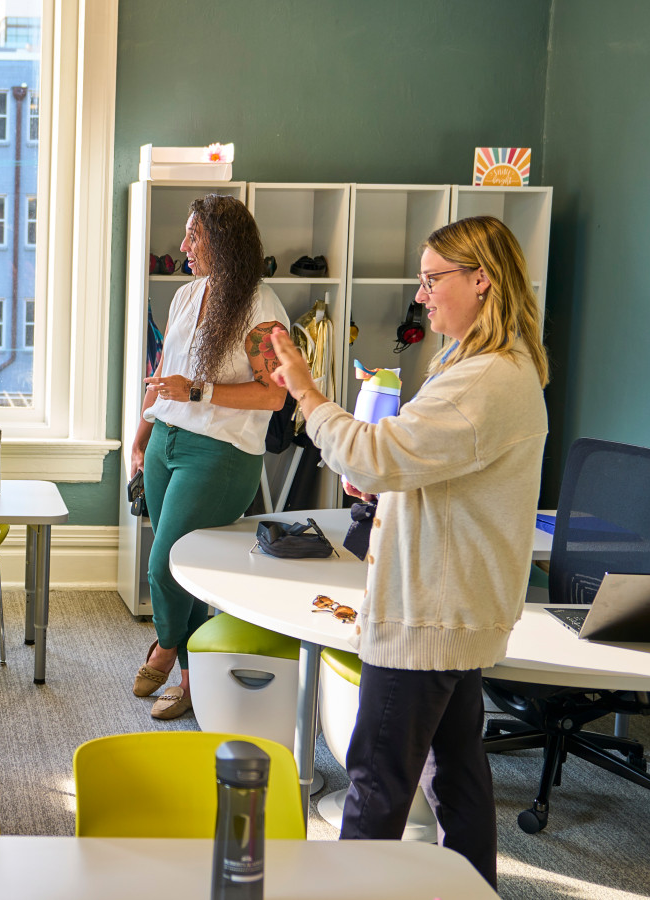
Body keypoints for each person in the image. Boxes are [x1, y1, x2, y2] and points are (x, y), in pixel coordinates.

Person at [265, 215, 548, 887]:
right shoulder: (493, 367)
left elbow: (377, 453)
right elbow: (415, 464)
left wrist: (307, 391)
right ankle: (473, 887)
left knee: (375, 785)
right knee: (457, 777)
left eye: (431, 280)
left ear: (481, 280)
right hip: (456, 604)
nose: (421, 296)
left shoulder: (483, 380)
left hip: (431, 609)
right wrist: (385, 474)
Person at [126, 194, 288, 719]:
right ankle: (195, 680)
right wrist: (141, 433)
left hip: (218, 453)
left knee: (164, 564)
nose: (183, 247)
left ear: (224, 241)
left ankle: (166, 648)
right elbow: (164, 372)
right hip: (167, 442)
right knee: (187, 570)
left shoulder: (264, 310)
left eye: (194, 236)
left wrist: (196, 391)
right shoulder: (186, 296)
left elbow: (273, 396)